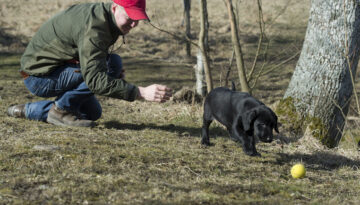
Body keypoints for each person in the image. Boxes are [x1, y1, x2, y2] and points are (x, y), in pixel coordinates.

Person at [7, 0, 172, 127]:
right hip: (37, 76)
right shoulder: (95, 28)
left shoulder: (104, 16)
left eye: (137, 19)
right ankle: (61, 110)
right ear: (115, 8)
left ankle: (30, 110)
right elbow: (94, 80)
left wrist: (111, 72)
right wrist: (140, 92)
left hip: (57, 67)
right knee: (108, 67)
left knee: (92, 113)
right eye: (130, 17)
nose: (134, 24)